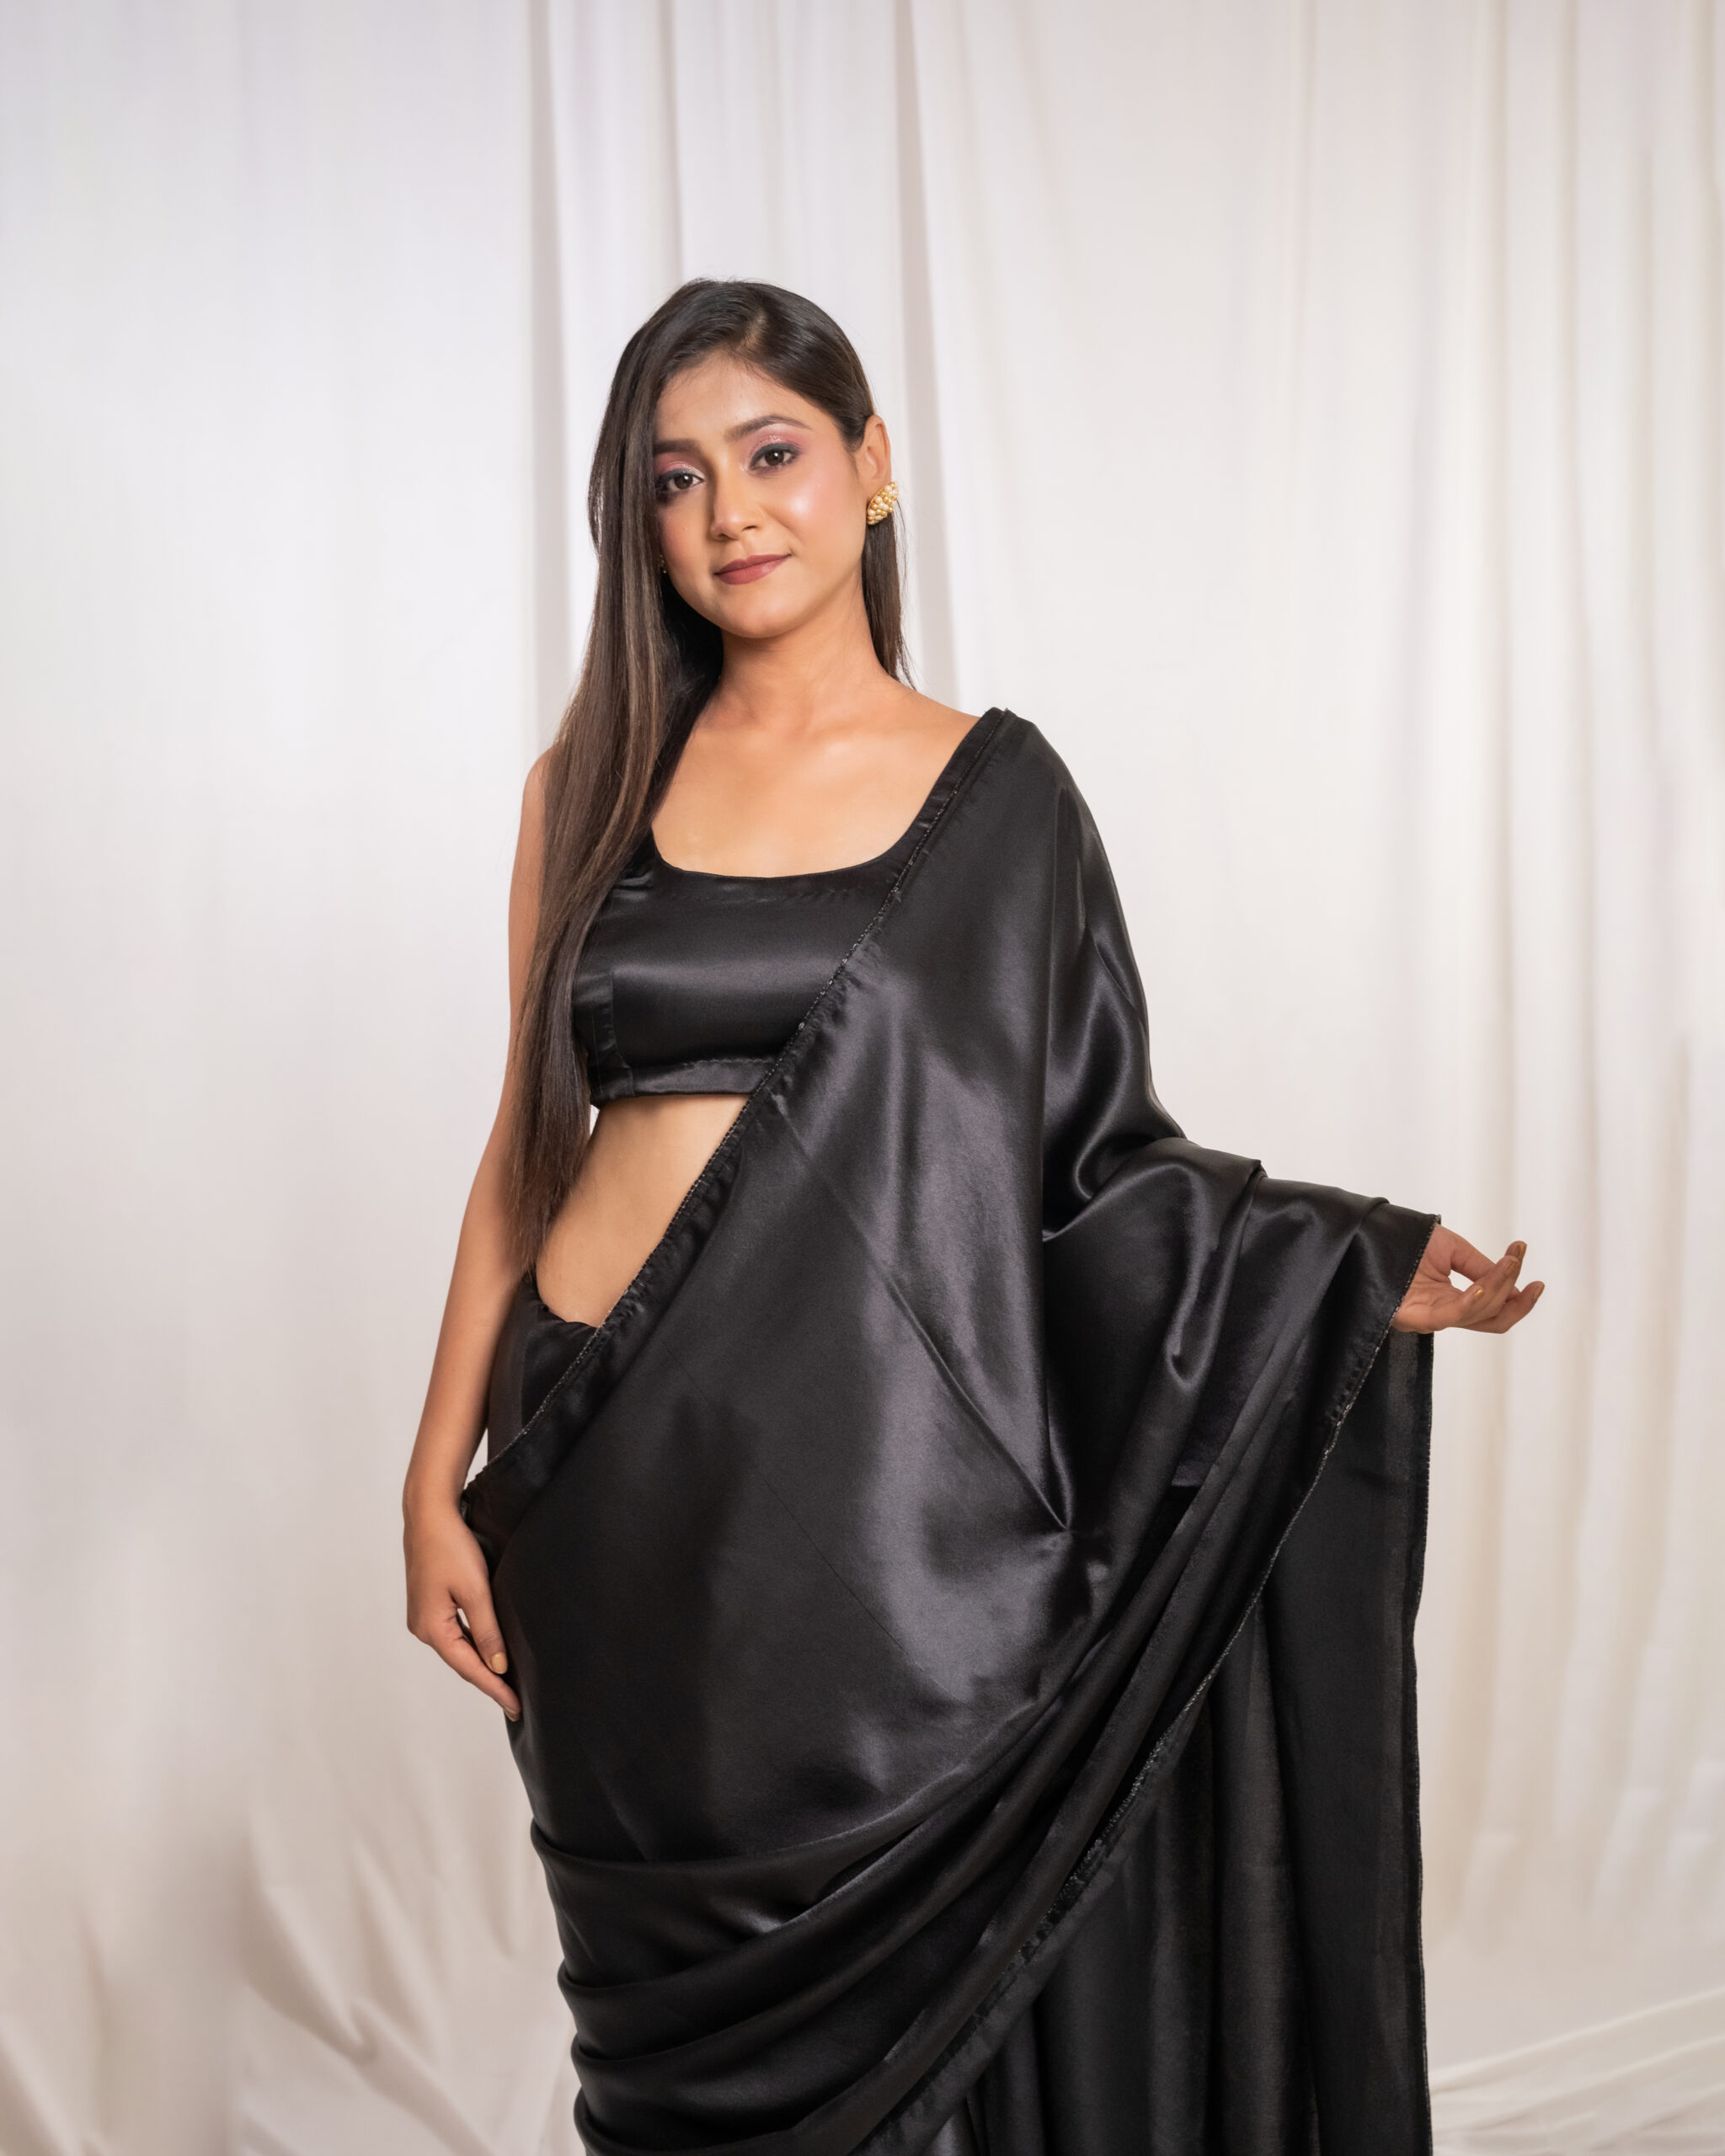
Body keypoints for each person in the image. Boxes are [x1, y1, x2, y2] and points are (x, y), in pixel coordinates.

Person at [403, 280, 1541, 2156]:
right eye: (677, 479)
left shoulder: (1000, 799)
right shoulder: (586, 784)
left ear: (870, 466)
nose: (730, 512)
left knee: (913, 2008)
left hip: (871, 1515)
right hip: (604, 1493)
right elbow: (525, 1142)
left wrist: (1343, 1263)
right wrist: (433, 1471)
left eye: (772, 454)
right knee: (656, 2028)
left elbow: (1092, 1170)